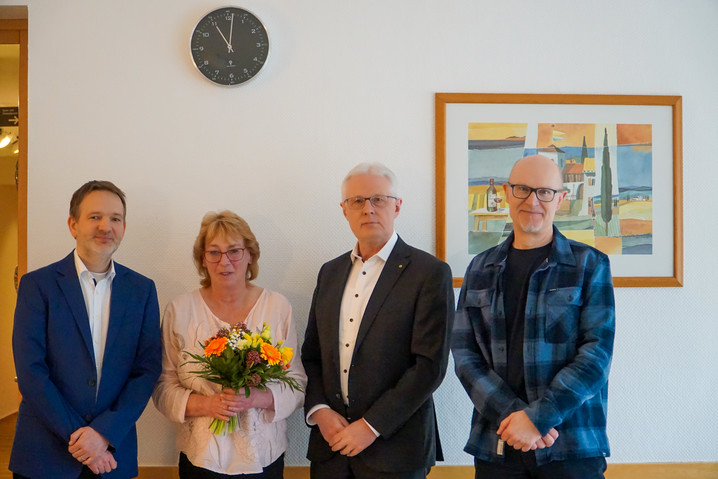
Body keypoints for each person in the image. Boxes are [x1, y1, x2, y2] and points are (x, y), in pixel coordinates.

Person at [452, 154, 615, 478]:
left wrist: (539, 419)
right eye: (523, 189)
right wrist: (515, 417)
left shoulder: (590, 264)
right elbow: (465, 356)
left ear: (560, 199)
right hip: (499, 444)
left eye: (544, 192)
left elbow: (597, 355)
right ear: (507, 193)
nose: (532, 201)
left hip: (571, 445)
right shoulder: (479, 268)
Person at [302, 162, 455, 479]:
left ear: (397, 206)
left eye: (379, 199)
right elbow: (312, 355)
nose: (367, 209)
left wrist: (371, 426)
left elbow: (429, 366)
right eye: (357, 201)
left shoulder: (429, 273)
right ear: (344, 210)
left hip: (396, 449)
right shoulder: (329, 273)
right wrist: (320, 411)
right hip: (331, 447)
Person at [10, 180, 162, 479]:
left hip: (113, 456)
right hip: (45, 455)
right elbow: (30, 371)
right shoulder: (37, 285)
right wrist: (84, 441)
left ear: (124, 227)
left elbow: (146, 371)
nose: (106, 226)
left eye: (115, 218)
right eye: (95, 217)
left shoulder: (142, 290)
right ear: (73, 224)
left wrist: (103, 434)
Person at [152, 210, 307, 478]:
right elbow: (162, 387)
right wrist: (207, 405)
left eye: (234, 251)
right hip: (201, 459)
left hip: (264, 458)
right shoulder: (179, 310)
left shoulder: (277, 307)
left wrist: (256, 398)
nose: (224, 262)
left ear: (250, 255)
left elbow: (297, 383)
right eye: (214, 252)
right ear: (203, 259)